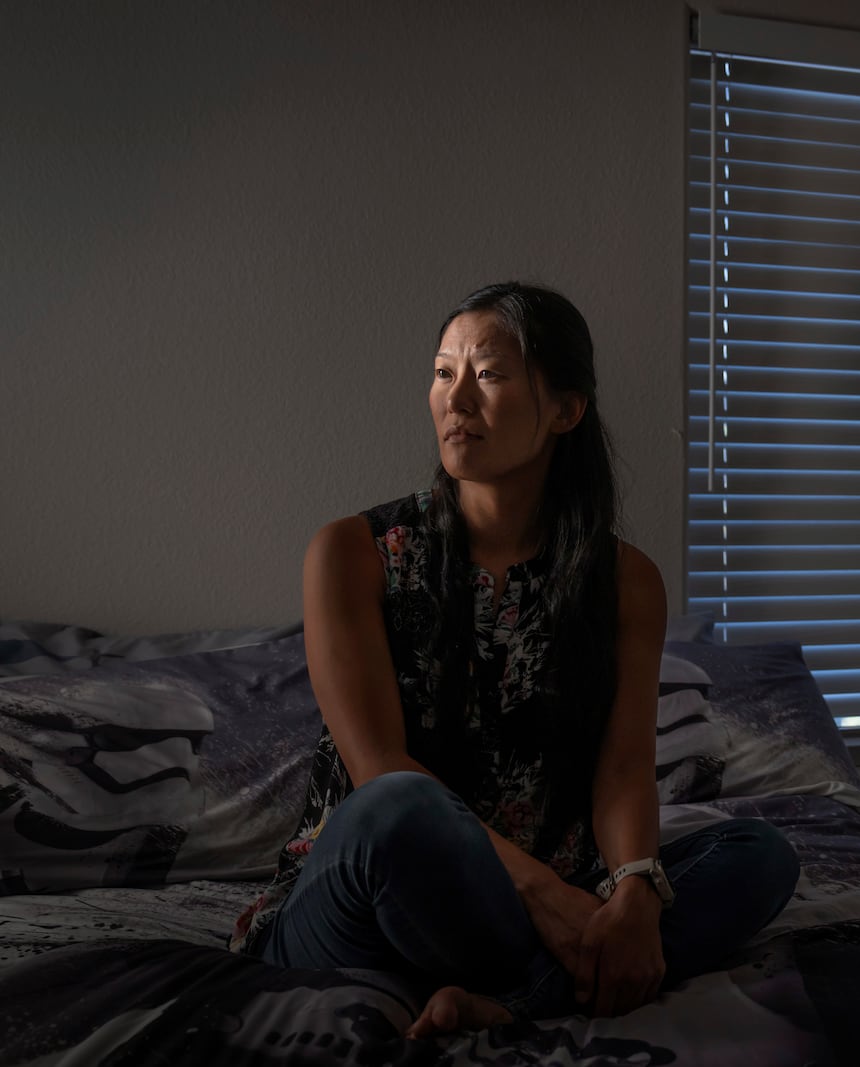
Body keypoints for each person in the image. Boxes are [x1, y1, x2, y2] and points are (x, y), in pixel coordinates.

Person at [229, 282, 800, 1036]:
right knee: (401, 807)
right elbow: (377, 767)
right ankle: (557, 967)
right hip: (366, 899)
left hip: (521, 913)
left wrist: (632, 892)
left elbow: (624, 768)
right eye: (443, 372)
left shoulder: (625, 582)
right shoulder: (352, 554)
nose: (456, 398)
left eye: (489, 374)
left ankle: (516, 999)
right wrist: (546, 894)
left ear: (565, 409)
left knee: (759, 854)